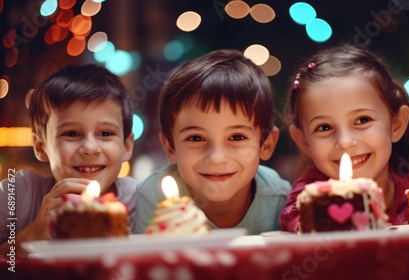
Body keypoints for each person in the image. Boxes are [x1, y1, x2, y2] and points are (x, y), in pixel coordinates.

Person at [280, 44, 409, 232]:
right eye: (324, 127)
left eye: (362, 120)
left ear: (396, 125)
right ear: (304, 141)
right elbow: (296, 217)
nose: (345, 141)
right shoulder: (310, 195)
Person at [135, 49, 291, 235]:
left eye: (236, 137)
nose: (216, 158)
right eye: (196, 138)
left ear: (266, 144)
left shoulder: (279, 198)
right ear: (170, 147)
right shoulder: (155, 198)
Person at [0, 64, 138, 257]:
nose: (90, 148)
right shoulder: (19, 195)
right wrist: (34, 233)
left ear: (126, 147)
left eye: (106, 133)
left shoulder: (141, 200)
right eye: (71, 133)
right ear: (41, 147)